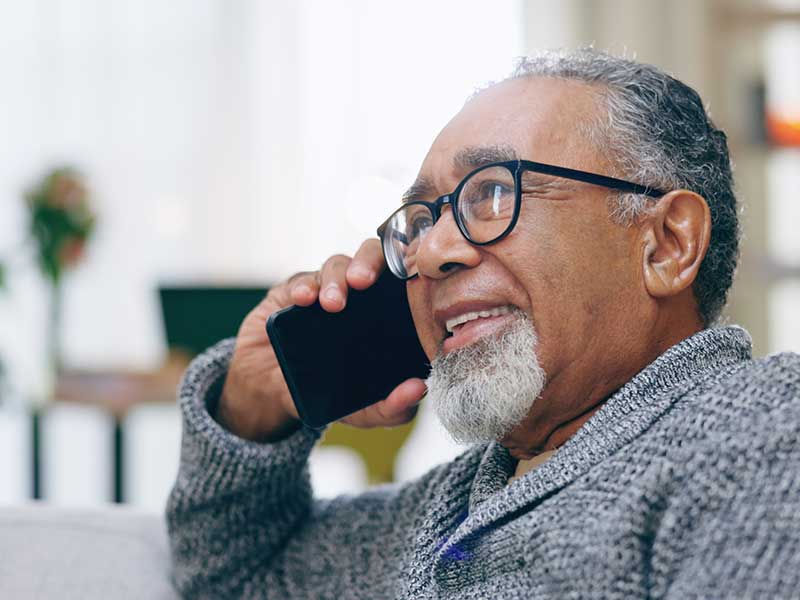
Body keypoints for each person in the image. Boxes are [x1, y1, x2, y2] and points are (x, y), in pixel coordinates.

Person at [166, 49, 800, 599]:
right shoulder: (447, 509)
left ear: (665, 245)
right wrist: (252, 407)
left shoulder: (766, 430)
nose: (431, 251)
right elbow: (233, 577)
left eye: (493, 192)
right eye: (419, 218)